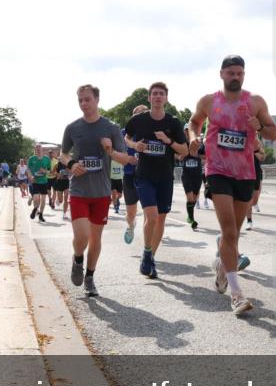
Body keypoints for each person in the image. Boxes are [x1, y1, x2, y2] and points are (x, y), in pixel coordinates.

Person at [188, 55, 276, 314]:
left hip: (245, 173)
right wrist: (194, 137)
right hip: (217, 171)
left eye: (239, 73)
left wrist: (259, 126)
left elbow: (272, 133)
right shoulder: (208, 101)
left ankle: (221, 267)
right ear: (221, 74)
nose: (235, 77)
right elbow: (194, 122)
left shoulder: (255, 102)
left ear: (244, 75)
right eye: (231, 73)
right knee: (228, 232)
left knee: (233, 235)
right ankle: (237, 295)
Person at [62, 84, 136, 297]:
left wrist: (109, 150)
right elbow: (63, 154)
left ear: (97, 100)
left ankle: (90, 278)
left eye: (87, 99)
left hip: (101, 192)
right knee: (82, 235)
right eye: (80, 100)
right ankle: (78, 259)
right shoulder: (72, 128)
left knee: (95, 239)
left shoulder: (111, 128)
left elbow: (125, 159)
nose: (84, 104)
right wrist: (71, 164)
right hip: (78, 191)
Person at [125, 83, 188, 279]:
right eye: (155, 94)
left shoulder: (174, 122)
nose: (158, 97)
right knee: (151, 216)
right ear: (149, 98)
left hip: (165, 176)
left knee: (161, 218)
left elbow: (184, 151)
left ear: (166, 98)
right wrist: (135, 145)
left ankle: (150, 256)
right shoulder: (139, 120)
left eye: (161, 94)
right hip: (144, 175)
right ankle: (146, 251)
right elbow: (126, 138)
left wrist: (168, 141)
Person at [121, 105, 147, 243]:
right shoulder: (123, 133)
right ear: (132, 117)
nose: (142, 117)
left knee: (150, 211)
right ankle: (131, 226)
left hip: (147, 176)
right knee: (131, 213)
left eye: (145, 114)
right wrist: (126, 158)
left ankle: (148, 246)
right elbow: (114, 153)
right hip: (129, 175)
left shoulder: (151, 132)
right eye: (138, 115)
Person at [179, 122, 204, 230]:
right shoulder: (182, 142)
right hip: (187, 175)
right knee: (190, 198)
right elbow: (175, 154)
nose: (187, 132)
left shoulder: (199, 143)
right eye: (186, 130)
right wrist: (180, 156)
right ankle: (192, 219)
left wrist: (197, 155)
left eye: (189, 130)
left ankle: (190, 215)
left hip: (197, 175)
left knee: (194, 198)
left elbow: (206, 156)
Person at [27, 144, 51, 223]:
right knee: (37, 198)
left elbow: (49, 170)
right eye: (36, 149)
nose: (38, 150)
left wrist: (45, 171)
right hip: (35, 181)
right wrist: (31, 177)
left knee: (43, 200)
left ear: (42, 150)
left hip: (44, 181)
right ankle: (35, 209)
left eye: (39, 148)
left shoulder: (47, 159)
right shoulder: (31, 159)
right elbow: (28, 169)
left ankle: (41, 215)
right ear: (35, 150)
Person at [245, 144, 265, 231]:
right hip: (246, 172)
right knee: (248, 199)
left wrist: (259, 154)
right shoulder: (243, 141)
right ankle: (249, 221)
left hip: (256, 172)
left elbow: (263, 157)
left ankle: (254, 204)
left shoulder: (257, 144)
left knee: (255, 199)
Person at [52, 153, 71, 219]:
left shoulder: (68, 164)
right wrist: (58, 174)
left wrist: (69, 173)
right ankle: (58, 199)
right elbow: (53, 172)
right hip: (59, 182)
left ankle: (64, 214)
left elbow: (71, 171)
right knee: (60, 201)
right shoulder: (57, 165)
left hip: (66, 182)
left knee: (66, 197)